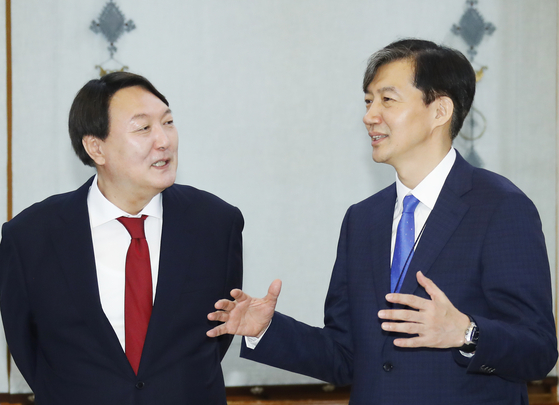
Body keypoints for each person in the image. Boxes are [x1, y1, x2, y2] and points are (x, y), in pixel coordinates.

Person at [207, 39, 557, 404]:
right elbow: (346, 355)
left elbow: (538, 351)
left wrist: (467, 333)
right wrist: (266, 330)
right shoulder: (363, 219)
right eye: (368, 101)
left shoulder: (501, 207)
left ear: (440, 110)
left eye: (387, 100)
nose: (369, 115)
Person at [0, 72, 243, 404]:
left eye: (168, 122)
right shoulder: (30, 237)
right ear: (96, 148)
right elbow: (27, 344)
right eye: (143, 128)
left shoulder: (216, 223)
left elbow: (215, 337)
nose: (164, 140)